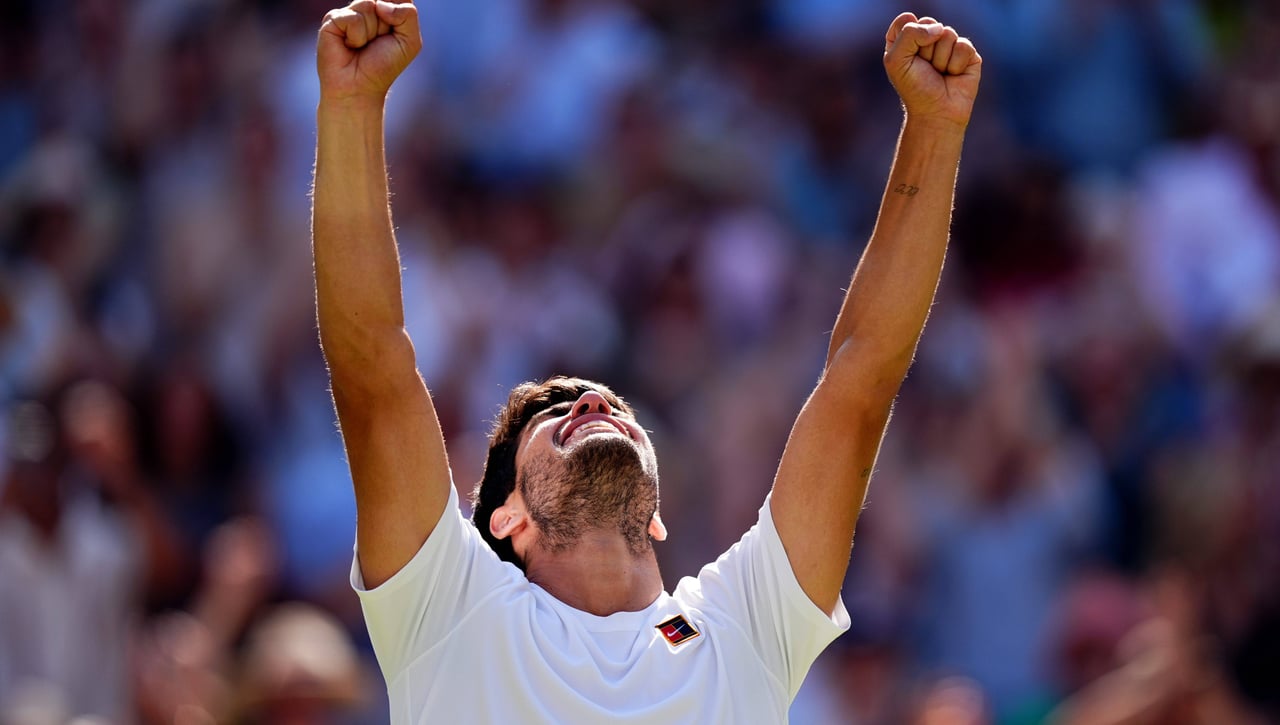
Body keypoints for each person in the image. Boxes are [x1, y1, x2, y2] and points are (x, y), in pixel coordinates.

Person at [311, 2, 981, 722]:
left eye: (613, 409)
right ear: (504, 519)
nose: (595, 403)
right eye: (553, 416)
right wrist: (351, 106)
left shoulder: (740, 627)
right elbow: (373, 366)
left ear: (658, 515)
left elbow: (862, 376)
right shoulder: (450, 611)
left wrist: (935, 130)